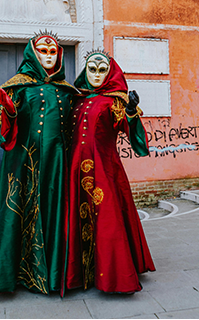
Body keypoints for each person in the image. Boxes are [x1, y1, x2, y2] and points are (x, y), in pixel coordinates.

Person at [0, 32, 78, 294]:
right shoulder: (16, 86)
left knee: (54, 210)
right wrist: (9, 113)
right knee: (22, 212)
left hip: (57, 163)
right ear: (33, 53)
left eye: (53, 52)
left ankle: (54, 274)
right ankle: (17, 275)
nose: (48, 56)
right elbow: (0, 122)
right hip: (23, 162)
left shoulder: (67, 90)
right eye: (43, 51)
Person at [61, 51, 155, 294]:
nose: (96, 74)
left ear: (110, 72)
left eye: (102, 70)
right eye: (92, 69)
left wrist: (132, 112)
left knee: (107, 221)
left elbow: (138, 141)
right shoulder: (77, 99)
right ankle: (81, 273)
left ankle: (114, 277)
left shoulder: (116, 102)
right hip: (75, 171)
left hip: (104, 170)